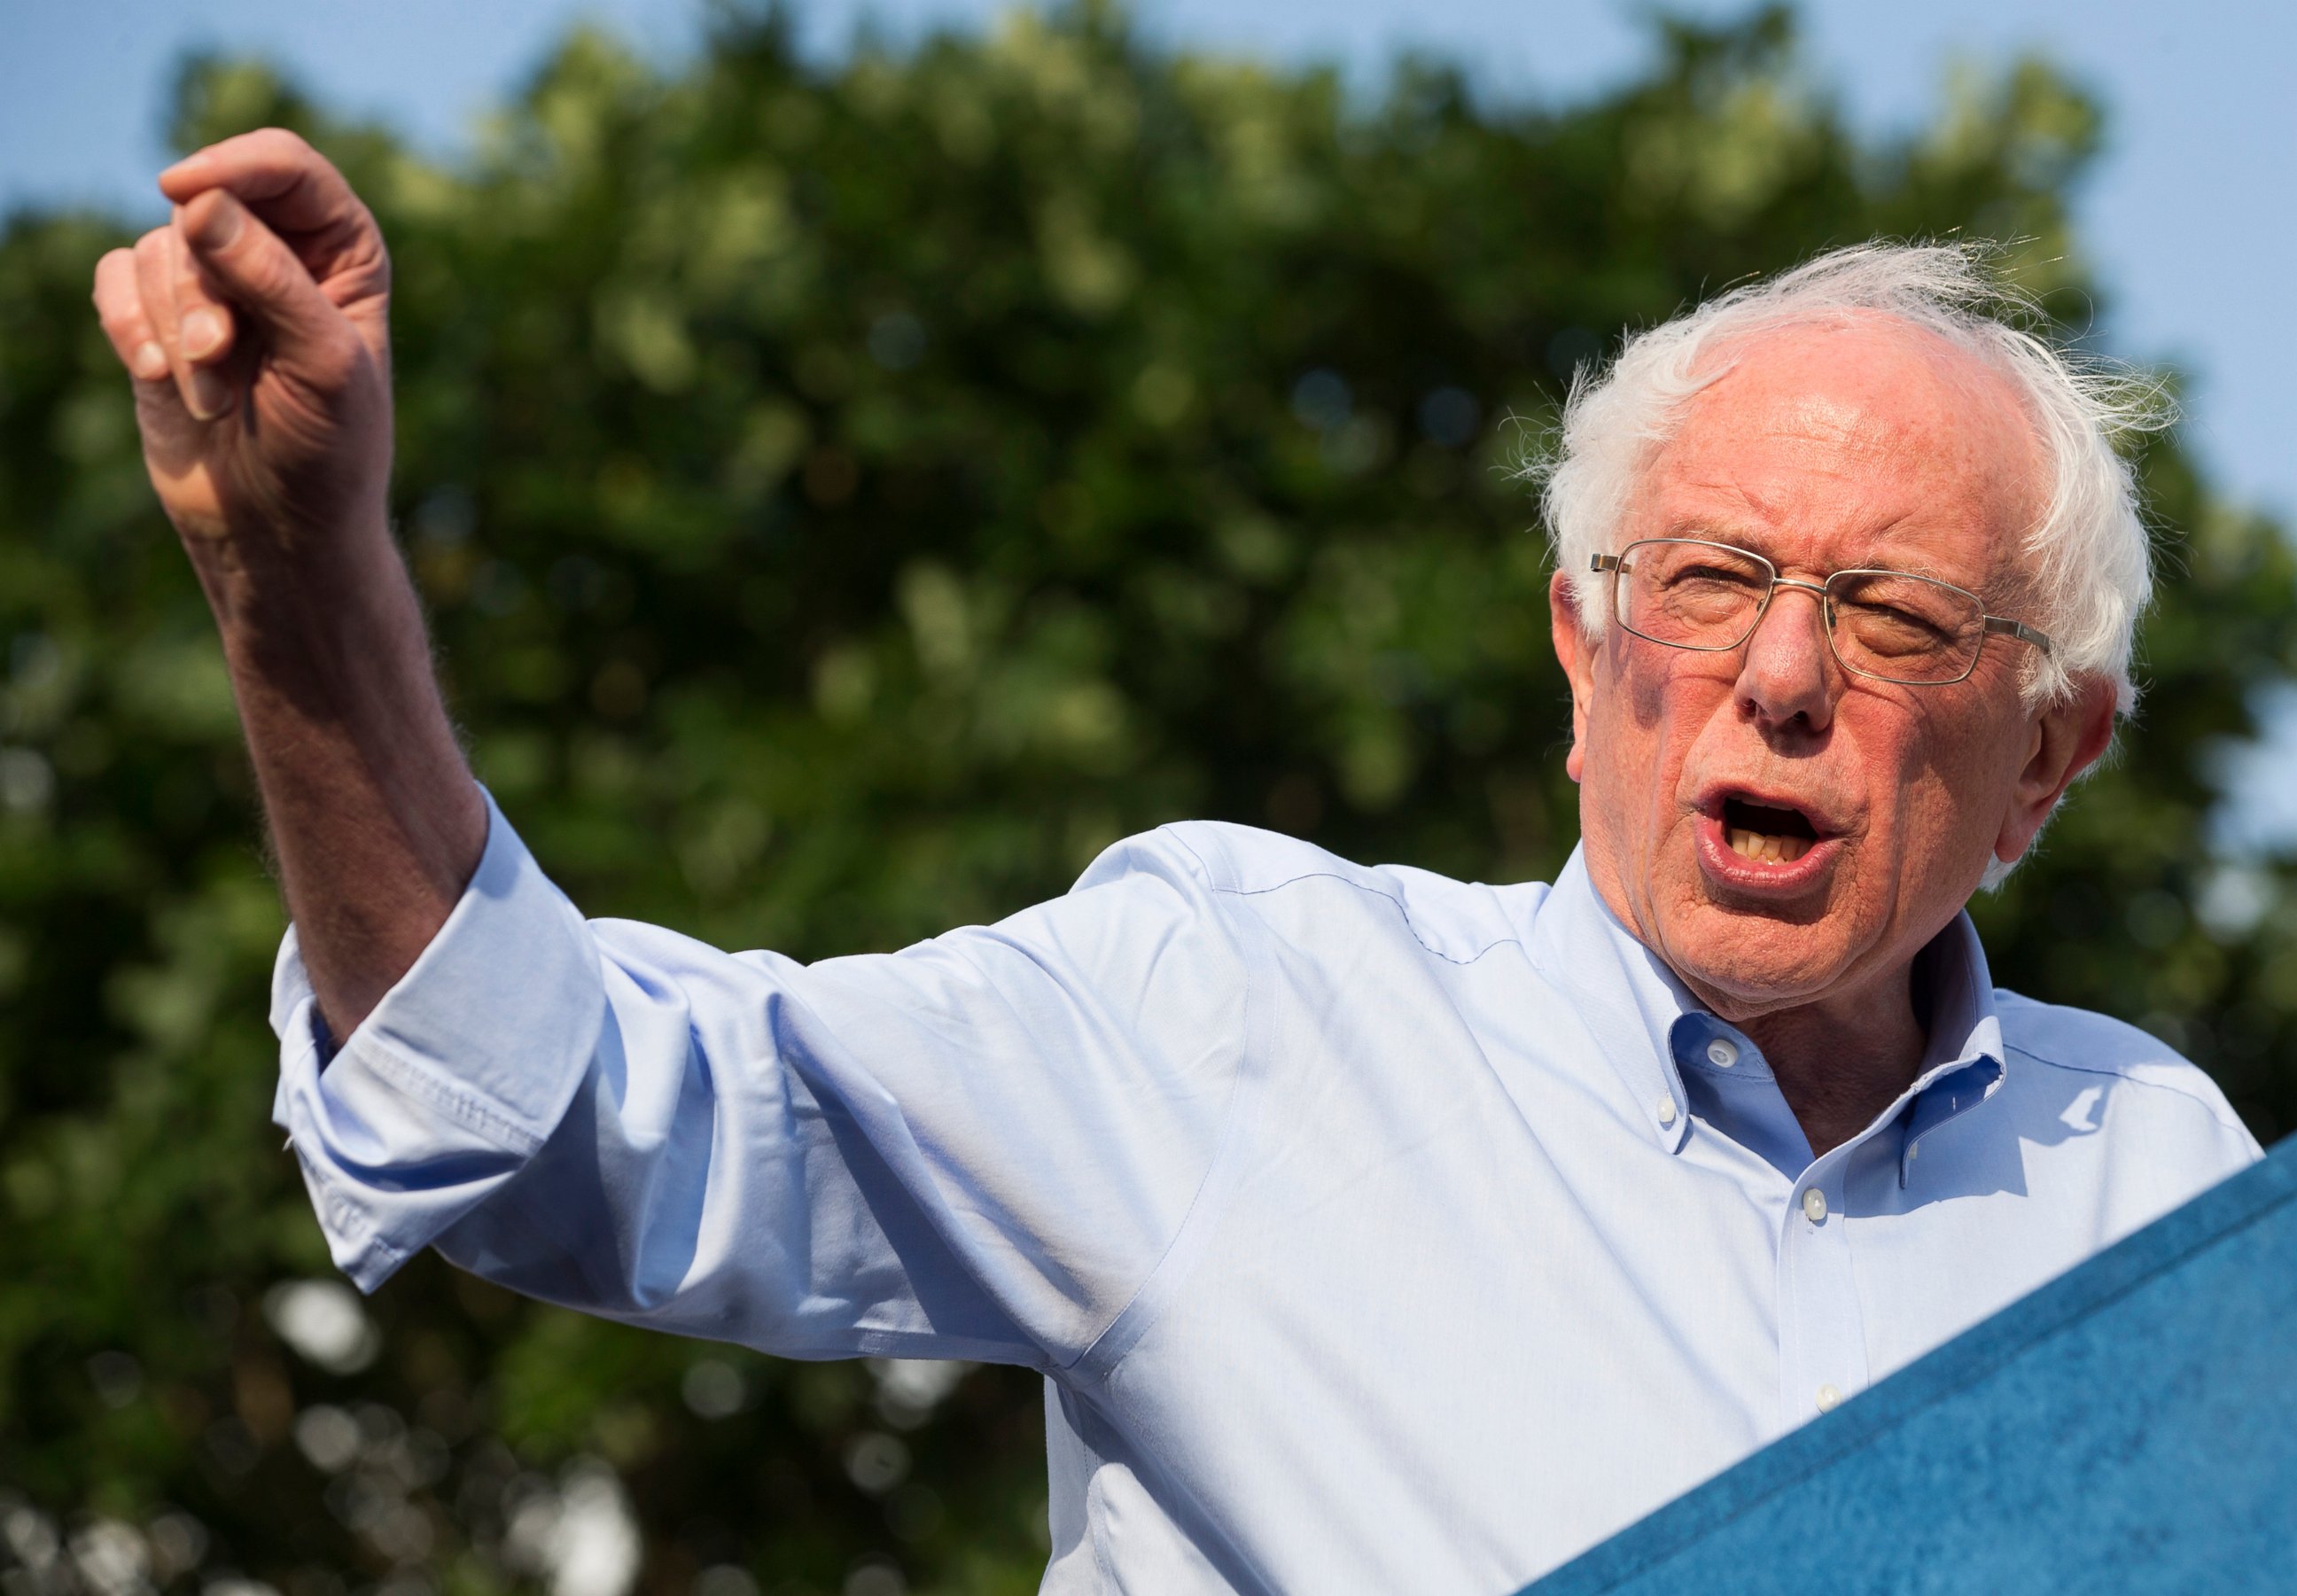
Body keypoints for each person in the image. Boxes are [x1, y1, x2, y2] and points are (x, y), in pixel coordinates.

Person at [92, 130, 2259, 1592]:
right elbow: (556, 1114)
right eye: (1707, 580)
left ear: (2046, 756)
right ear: (1583, 652)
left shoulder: (2158, 1185)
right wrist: (304, 583)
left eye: (1891, 616)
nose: (1780, 674)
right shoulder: (1242, 1014)